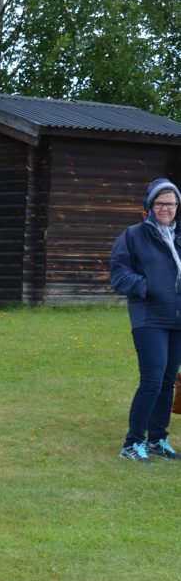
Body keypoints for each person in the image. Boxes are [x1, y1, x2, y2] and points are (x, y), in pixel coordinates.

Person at [110, 178, 181, 462]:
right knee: (152, 380)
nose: (166, 208)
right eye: (160, 203)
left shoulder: (179, 235)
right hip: (149, 317)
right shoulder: (133, 236)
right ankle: (133, 442)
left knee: (167, 382)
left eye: (171, 203)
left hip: (177, 319)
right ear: (149, 206)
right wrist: (147, 286)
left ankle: (157, 439)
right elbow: (119, 275)